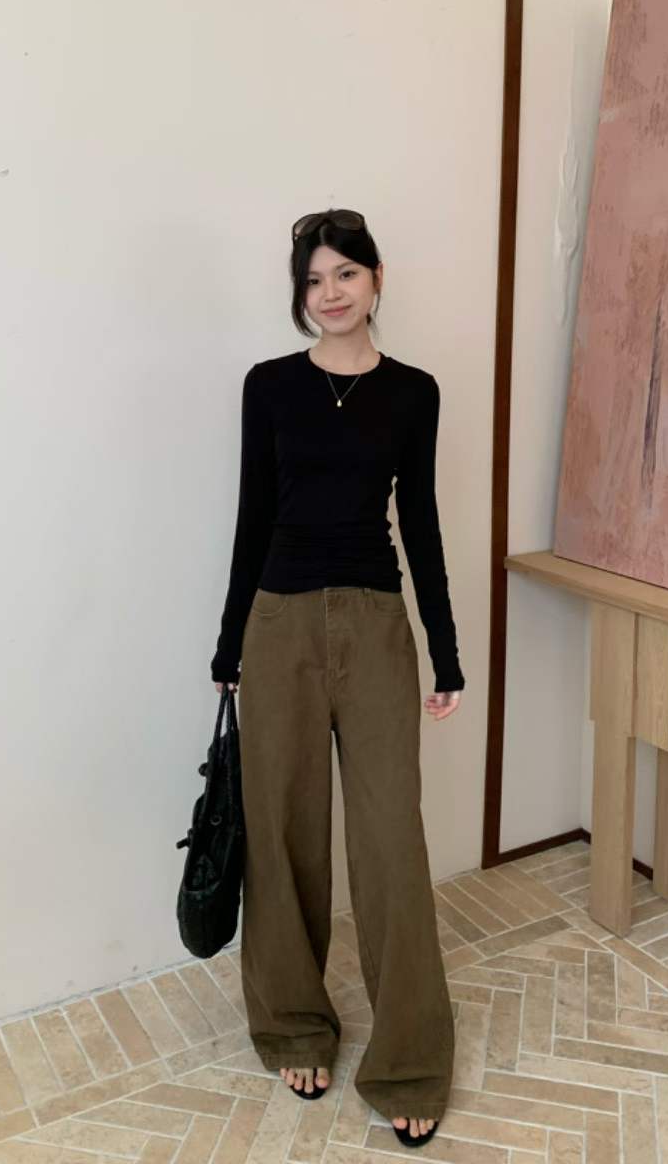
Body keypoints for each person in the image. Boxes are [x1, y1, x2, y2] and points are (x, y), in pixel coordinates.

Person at [211, 208, 465, 1148]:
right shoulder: (269, 386)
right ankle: (293, 1025)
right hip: (278, 623)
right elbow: (252, 516)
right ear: (301, 293)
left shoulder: (414, 393)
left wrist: (446, 650)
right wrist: (229, 645)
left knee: (391, 838)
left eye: (345, 273)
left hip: (374, 622)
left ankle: (408, 1059)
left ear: (376, 278)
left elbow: (422, 523)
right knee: (283, 834)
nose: (330, 293)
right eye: (314, 279)